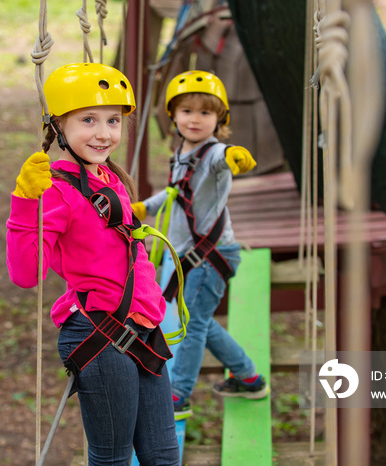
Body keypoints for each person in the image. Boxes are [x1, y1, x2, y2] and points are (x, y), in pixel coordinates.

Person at [6, 63, 180, 466]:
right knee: (113, 458)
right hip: (98, 330)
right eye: (88, 120)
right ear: (58, 125)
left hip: (141, 326)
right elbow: (26, 274)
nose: (104, 133)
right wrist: (25, 204)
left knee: (162, 454)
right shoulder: (56, 190)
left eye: (113, 121)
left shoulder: (108, 177)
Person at [131, 70, 268, 420]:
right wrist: (146, 207)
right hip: (184, 255)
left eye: (205, 113)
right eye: (187, 111)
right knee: (201, 322)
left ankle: (177, 396)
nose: (195, 119)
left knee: (192, 325)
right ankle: (248, 377)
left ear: (219, 119)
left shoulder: (214, 154)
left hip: (208, 258)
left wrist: (237, 156)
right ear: (173, 115)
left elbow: (226, 158)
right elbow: (176, 192)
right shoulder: (183, 151)